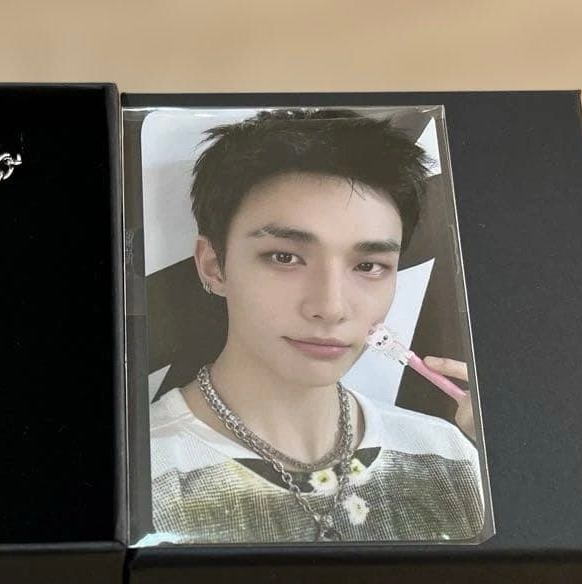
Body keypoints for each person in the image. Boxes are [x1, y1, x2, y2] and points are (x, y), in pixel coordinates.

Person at [145, 108, 485, 544]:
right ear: (213, 266)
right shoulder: (142, 471)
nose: (331, 307)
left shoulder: (449, 454)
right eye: (285, 257)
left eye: (368, 265)